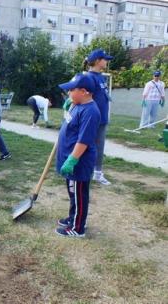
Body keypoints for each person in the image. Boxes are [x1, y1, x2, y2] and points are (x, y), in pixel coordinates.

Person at [55, 73, 101, 238]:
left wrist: (72, 159)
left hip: (78, 162)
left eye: (71, 91)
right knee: (73, 193)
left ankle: (78, 227)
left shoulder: (90, 112)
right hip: (69, 157)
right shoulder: (77, 104)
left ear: (84, 91)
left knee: (79, 194)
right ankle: (74, 217)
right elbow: (69, 123)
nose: (68, 94)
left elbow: (84, 140)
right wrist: (68, 109)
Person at [84, 49, 113, 185]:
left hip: (102, 119)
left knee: (99, 146)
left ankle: (97, 173)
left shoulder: (101, 77)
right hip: (93, 120)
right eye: (105, 59)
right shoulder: (89, 78)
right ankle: (88, 172)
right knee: (88, 146)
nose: (107, 61)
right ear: (97, 61)